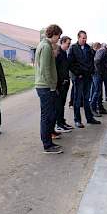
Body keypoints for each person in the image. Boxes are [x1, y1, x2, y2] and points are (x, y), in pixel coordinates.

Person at [35, 24, 63, 154]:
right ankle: (47, 145)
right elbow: (45, 69)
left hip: (44, 86)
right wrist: (52, 87)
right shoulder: (46, 47)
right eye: (58, 36)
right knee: (47, 116)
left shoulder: (42, 44)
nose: (58, 39)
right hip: (46, 87)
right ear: (54, 34)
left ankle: (48, 142)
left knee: (48, 115)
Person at [68, 30, 101, 128]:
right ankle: (77, 120)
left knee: (87, 99)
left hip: (87, 77)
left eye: (85, 38)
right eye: (83, 38)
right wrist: (78, 74)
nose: (84, 39)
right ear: (78, 38)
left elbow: (92, 62)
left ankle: (89, 118)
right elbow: (70, 63)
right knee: (77, 100)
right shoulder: (73, 48)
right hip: (78, 78)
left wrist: (90, 72)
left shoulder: (88, 48)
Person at [90, 42, 107, 115]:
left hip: (99, 74)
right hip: (98, 74)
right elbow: (97, 61)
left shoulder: (104, 51)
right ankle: (93, 108)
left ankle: (100, 108)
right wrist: (99, 72)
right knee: (97, 91)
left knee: (99, 91)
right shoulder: (103, 51)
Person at [54, 36, 73, 133]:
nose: (69, 45)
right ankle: (58, 125)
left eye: (69, 44)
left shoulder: (65, 53)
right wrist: (59, 82)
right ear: (62, 42)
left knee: (62, 104)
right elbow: (56, 69)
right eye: (67, 43)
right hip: (60, 84)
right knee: (59, 105)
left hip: (65, 82)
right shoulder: (58, 53)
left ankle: (62, 121)